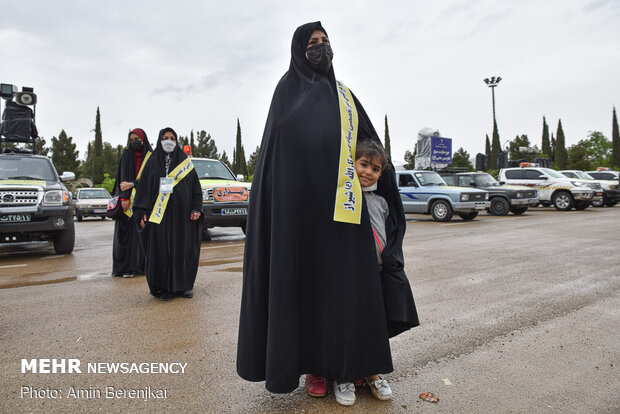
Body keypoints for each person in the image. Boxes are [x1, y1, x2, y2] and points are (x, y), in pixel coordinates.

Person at [236, 22, 419, 407]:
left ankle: (360, 366)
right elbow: (274, 160)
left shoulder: (345, 98)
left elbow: (372, 148)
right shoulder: (284, 93)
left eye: (326, 42)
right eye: (313, 44)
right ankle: (315, 367)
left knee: (348, 293)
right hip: (299, 220)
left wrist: (380, 187)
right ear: (299, 51)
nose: (322, 49)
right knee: (306, 291)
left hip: (344, 219)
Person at [131, 127, 203, 301]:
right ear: (159, 139)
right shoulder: (152, 163)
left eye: (172, 138)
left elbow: (195, 188)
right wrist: (140, 212)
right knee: (161, 251)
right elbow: (142, 190)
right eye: (165, 138)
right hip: (159, 217)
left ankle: (183, 286)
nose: (168, 141)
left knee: (182, 250)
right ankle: (163, 288)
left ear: (176, 141)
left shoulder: (185, 162)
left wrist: (196, 208)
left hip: (181, 218)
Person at [112, 128, 152, 277]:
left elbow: (152, 179)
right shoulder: (126, 155)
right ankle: (124, 268)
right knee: (125, 238)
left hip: (144, 203)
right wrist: (124, 197)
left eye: (137, 138)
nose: (134, 142)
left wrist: (134, 184)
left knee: (142, 237)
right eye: (131, 139)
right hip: (127, 203)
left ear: (143, 139)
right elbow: (122, 179)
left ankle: (141, 267)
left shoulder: (151, 156)